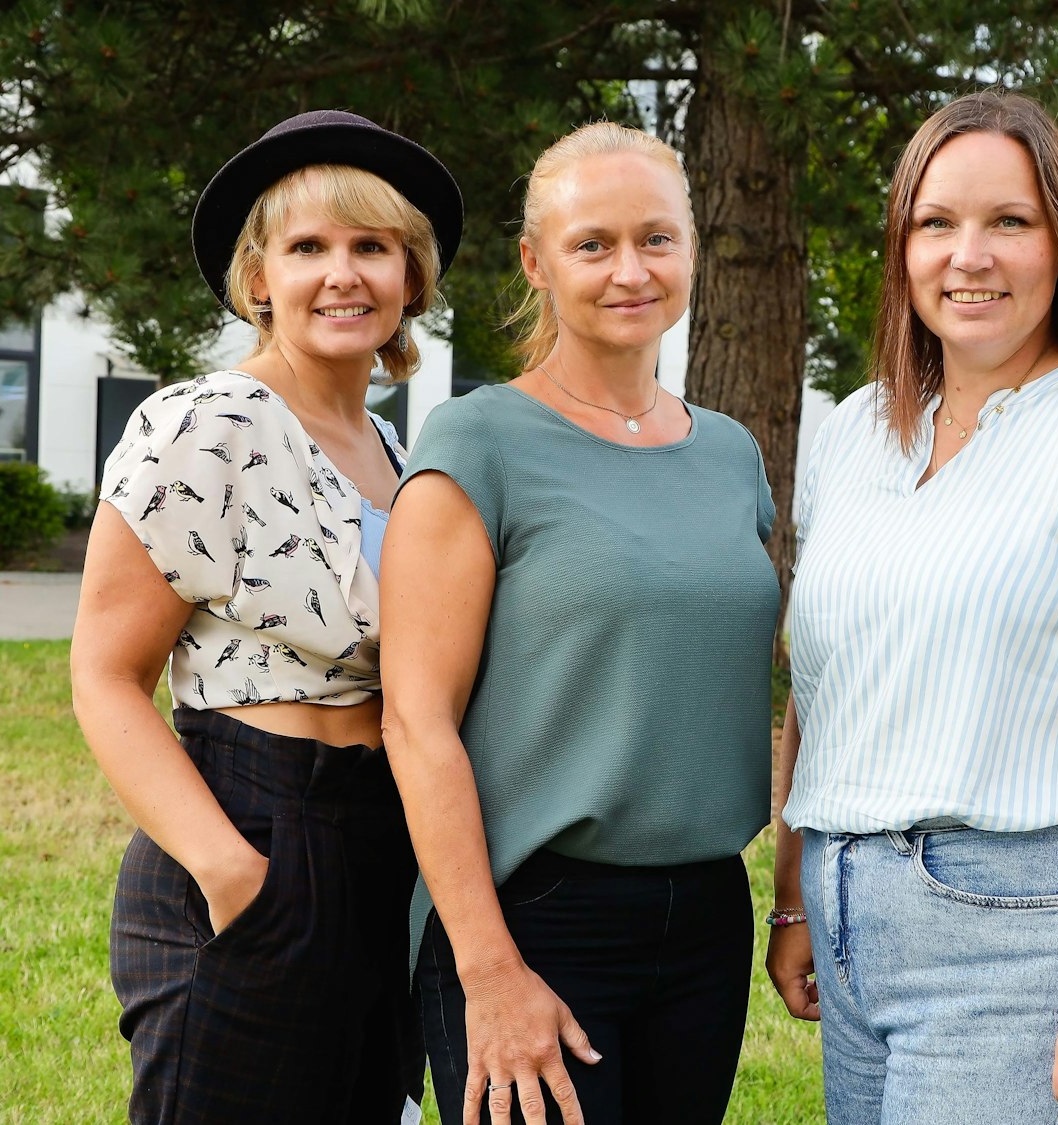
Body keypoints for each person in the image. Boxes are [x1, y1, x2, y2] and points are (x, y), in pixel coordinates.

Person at [765, 89, 1058, 1122]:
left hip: (1021, 930)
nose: (968, 255)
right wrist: (795, 895)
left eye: (1009, 222)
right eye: (936, 223)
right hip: (851, 920)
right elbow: (828, 684)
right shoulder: (853, 433)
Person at [379, 122, 779, 1125]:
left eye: (656, 239)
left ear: (691, 249)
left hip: (706, 914)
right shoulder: (479, 442)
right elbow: (416, 723)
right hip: (532, 915)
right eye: (592, 244)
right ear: (536, 262)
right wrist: (487, 968)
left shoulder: (730, 455)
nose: (629, 270)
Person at [69, 109, 463, 1123]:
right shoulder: (206, 423)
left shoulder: (395, 451)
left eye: (372, 247)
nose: (343, 275)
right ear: (257, 279)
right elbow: (106, 675)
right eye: (308, 248)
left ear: (411, 277)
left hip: (381, 842)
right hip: (255, 821)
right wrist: (230, 870)